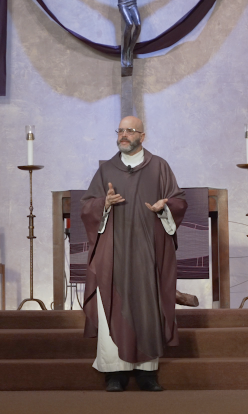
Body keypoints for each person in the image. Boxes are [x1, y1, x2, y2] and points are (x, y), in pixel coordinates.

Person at [80, 116, 187, 392]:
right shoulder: (106, 170)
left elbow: (178, 200)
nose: (123, 135)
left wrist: (165, 206)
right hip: (113, 253)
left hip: (147, 252)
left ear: (143, 135)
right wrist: (104, 203)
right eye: (120, 130)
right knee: (111, 304)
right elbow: (87, 206)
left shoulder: (159, 167)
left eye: (130, 130)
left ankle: (147, 372)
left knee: (147, 305)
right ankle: (114, 373)